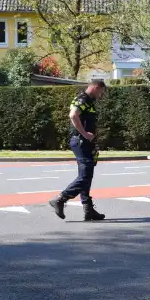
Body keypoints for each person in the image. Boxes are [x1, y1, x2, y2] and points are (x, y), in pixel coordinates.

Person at [49, 80, 107, 221]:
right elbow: (73, 115)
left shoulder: (89, 102)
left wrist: (93, 141)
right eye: (101, 92)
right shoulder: (82, 98)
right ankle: (60, 199)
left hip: (86, 143)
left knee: (86, 175)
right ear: (95, 87)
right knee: (85, 176)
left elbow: (87, 122)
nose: (101, 96)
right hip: (80, 141)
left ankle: (88, 210)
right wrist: (85, 134)